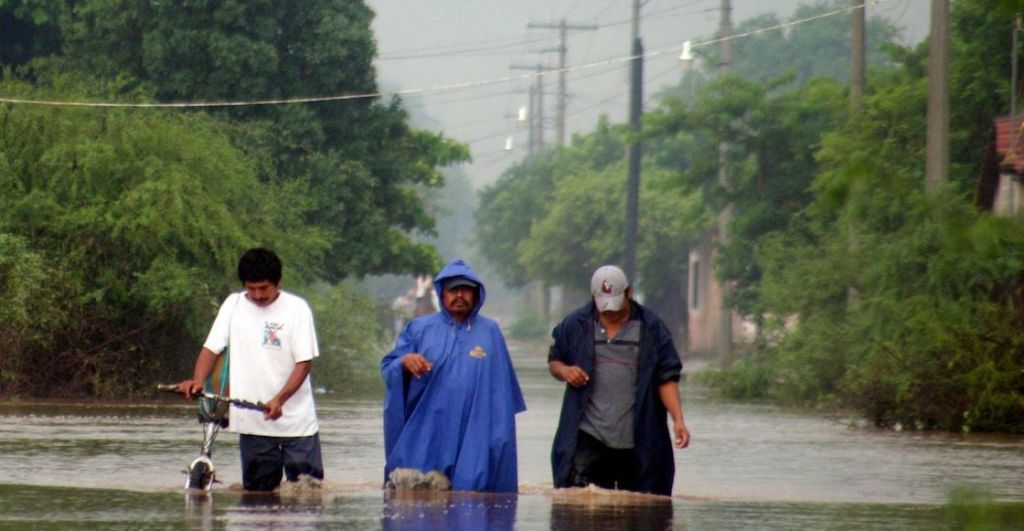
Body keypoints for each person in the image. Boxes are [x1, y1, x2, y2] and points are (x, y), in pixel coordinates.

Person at [178, 248, 324, 491]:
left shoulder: (297, 309)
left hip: (298, 423)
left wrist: (280, 399)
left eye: (264, 288)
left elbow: (304, 363)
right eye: (251, 288)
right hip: (252, 423)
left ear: (278, 283)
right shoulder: (233, 305)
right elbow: (211, 349)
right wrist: (197, 381)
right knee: (257, 499)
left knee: (307, 495)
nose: (257, 295)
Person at [381, 258, 526, 493]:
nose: (460, 295)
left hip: (474, 438)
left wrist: (499, 444)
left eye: (466, 290)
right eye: (453, 290)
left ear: (476, 294)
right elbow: (388, 368)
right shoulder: (419, 329)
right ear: (442, 293)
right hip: (427, 436)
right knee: (417, 505)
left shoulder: (490, 332)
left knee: (472, 504)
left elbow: (501, 395)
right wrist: (404, 362)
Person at [548, 265, 690, 496]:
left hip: (638, 439)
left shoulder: (651, 329)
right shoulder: (575, 326)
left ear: (629, 293)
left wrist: (678, 420)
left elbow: (666, 378)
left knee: (640, 509)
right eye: (604, 307)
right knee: (579, 506)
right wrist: (565, 371)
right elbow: (555, 361)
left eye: (615, 305)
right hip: (588, 436)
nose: (610, 313)